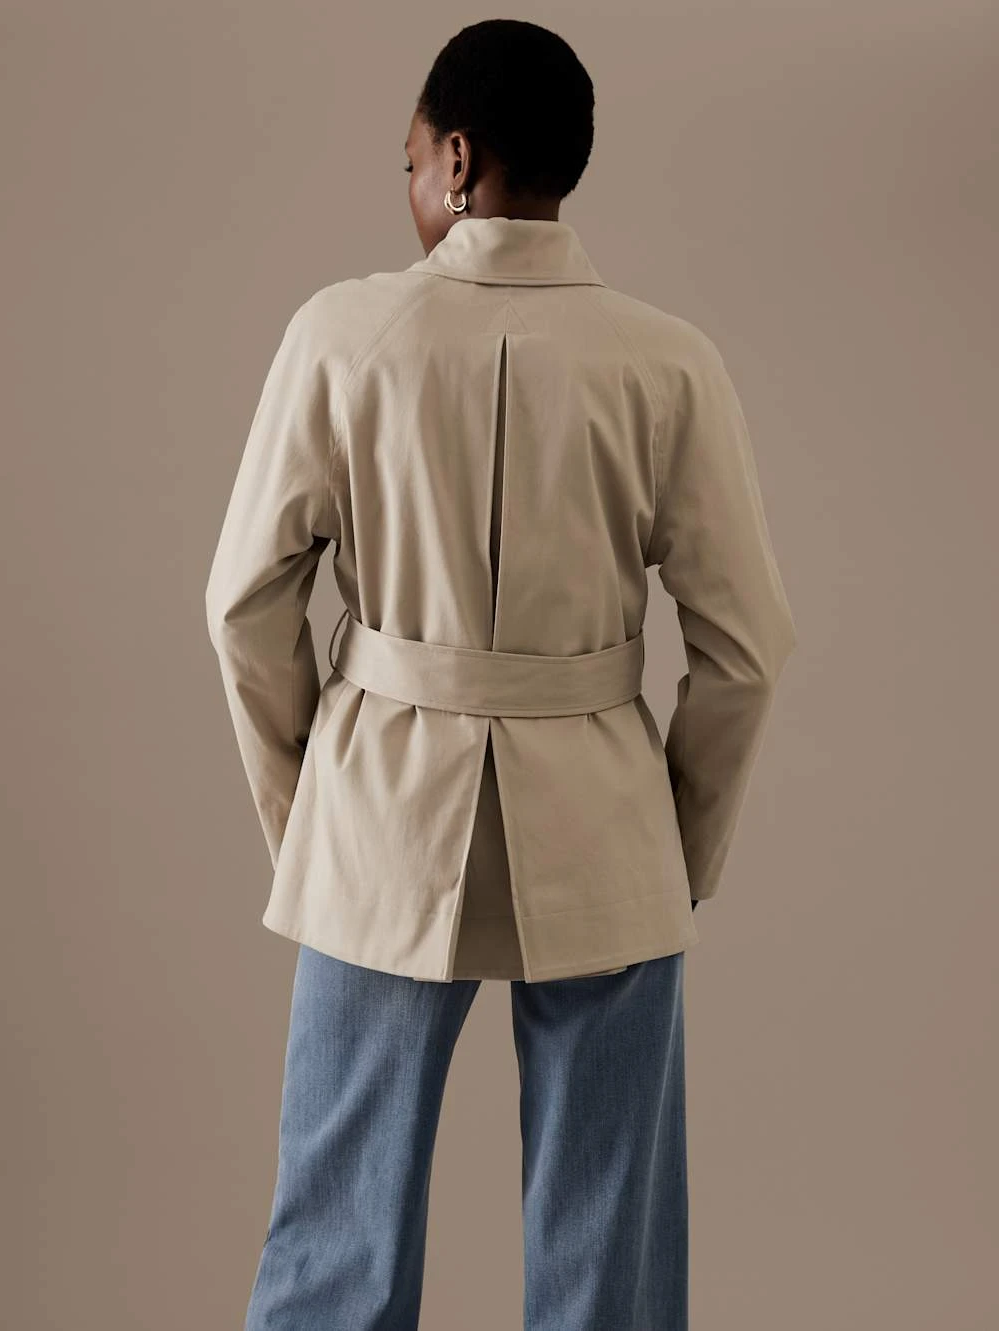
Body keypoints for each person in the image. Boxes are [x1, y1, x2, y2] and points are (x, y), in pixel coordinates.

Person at [204, 18, 796, 1331]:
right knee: (607, 1266)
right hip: (605, 824)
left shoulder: (342, 334)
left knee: (333, 1256)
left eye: (411, 158)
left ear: (458, 159)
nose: (411, 183)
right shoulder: (668, 360)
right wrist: (679, 846)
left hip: (378, 811)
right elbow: (749, 643)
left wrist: (309, 818)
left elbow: (242, 605)